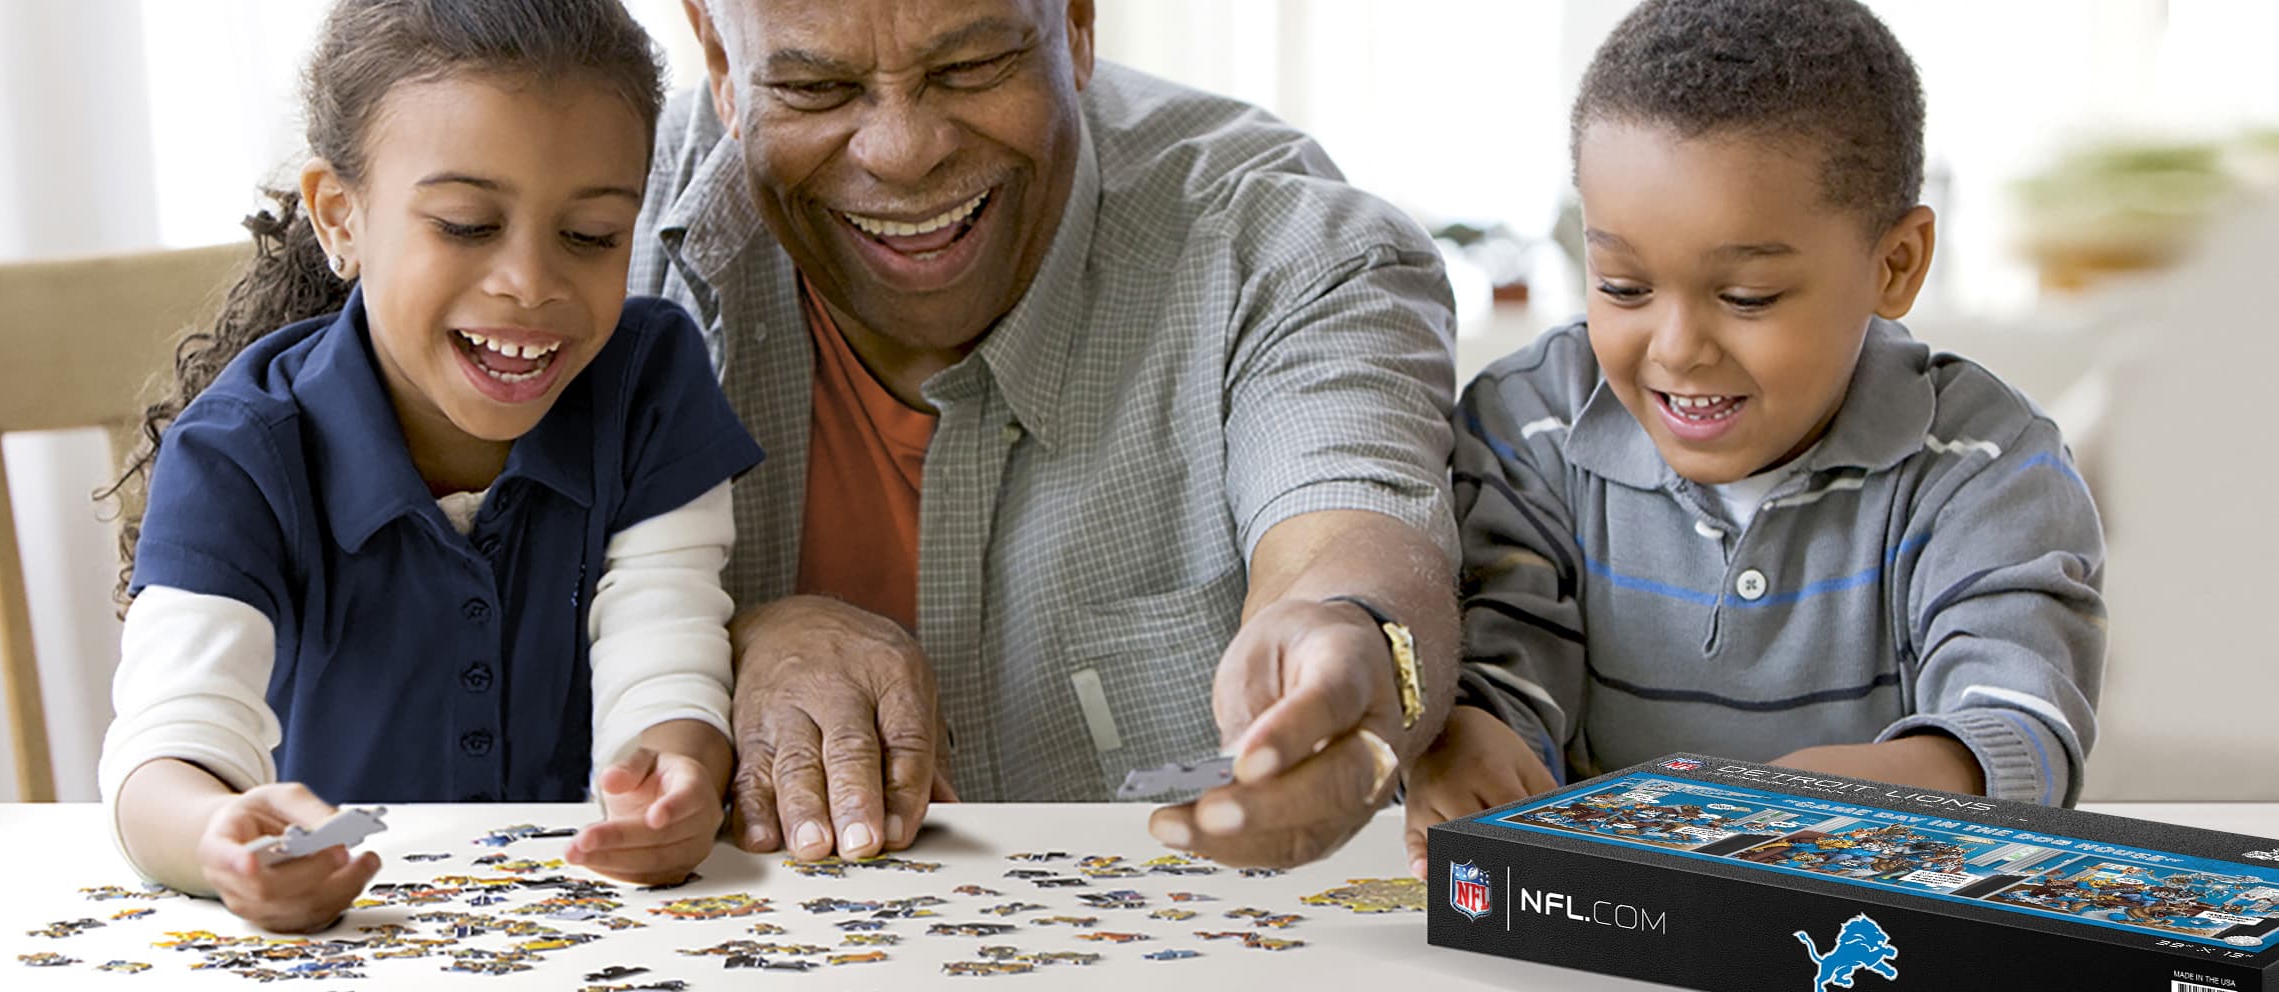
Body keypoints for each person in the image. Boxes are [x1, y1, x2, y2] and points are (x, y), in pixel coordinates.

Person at [635, 0, 1462, 869]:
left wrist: (1356, 643)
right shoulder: (575, 224)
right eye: (814, 86)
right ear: (720, 61)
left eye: (971, 67)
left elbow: (1347, 536)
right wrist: (718, 643)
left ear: (1074, 22)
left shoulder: (1282, 244)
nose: (903, 151)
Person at [94, 0, 762, 932]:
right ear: (341, 217)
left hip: (592, 928)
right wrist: (217, 836)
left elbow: (665, 648)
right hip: (344, 938)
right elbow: (165, 750)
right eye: (463, 224)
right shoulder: (239, 451)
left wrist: (674, 777)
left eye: (592, 235)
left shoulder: (650, 385)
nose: (530, 281)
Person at [1404, 0, 2107, 872]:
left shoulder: (1985, 464)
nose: (1676, 349)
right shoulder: (1527, 424)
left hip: (1864, 913)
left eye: (1747, 298)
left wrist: (1910, 780)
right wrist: (1467, 734)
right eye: (1622, 286)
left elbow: (2018, 714)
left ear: (1895, 265)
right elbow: (1506, 646)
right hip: (1601, 915)